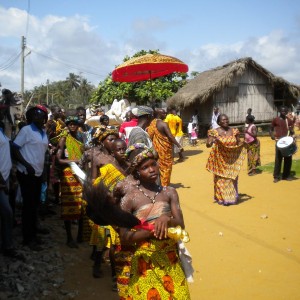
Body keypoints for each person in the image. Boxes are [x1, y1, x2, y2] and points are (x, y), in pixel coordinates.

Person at [111, 143, 191, 299]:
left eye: (153, 164)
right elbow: (125, 237)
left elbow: (181, 224)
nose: (152, 169)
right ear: (137, 173)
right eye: (145, 167)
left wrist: (166, 219)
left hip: (170, 259)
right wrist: (151, 231)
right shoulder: (130, 199)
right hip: (145, 262)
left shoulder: (169, 192)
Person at [12, 105, 49, 250]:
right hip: (27, 173)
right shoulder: (26, 130)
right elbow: (14, 149)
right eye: (35, 114)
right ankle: (28, 238)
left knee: (34, 205)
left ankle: (33, 233)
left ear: (45, 118)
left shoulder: (43, 132)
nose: (37, 116)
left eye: (40, 114)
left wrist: (43, 170)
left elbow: (42, 152)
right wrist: (26, 164)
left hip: (38, 173)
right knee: (28, 206)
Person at [56, 114, 85, 248]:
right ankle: (69, 238)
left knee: (81, 205)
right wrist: (75, 161)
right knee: (68, 205)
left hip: (80, 174)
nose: (72, 126)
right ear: (67, 125)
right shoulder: (63, 139)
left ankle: (80, 235)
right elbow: (59, 159)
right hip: (68, 174)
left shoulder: (80, 137)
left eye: (74, 123)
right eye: (70, 124)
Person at [206, 114, 246, 206]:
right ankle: (222, 198)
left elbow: (239, 142)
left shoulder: (234, 131)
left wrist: (243, 144)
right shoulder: (214, 132)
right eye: (223, 120)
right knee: (221, 178)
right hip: (220, 160)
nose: (226, 121)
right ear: (219, 122)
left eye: (227, 119)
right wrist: (211, 141)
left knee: (231, 177)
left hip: (232, 159)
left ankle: (231, 197)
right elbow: (208, 144)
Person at [147, 108, 184, 187]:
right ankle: (165, 186)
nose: (165, 115)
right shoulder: (163, 124)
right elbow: (170, 136)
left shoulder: (153, 123)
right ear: (159, 114)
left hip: (156, 151)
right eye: (164, 113)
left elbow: (149, 136)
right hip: (165, 152)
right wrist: (179, 145)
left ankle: (159, 185)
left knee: (158, 168)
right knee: (166, 169)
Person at [0, 121, 18, 258]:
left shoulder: (2, 131)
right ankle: (8, 246)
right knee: (7, 212)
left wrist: (11, 174)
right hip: (1, 180)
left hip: (5, 177)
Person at [269, 106, 295, 183]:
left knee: (288, 159)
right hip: (278, 142)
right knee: (278, 159)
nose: (283, 112)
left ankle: (286, 175)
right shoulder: (276, 120)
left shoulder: (289, 120)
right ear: (279, 111)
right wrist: (272, 135)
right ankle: (276, 176)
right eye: (282, 111)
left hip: (286, 142)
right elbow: (270, 128)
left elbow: (292, 130)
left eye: (285, 111)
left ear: (287, 112)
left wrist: (292, 136)